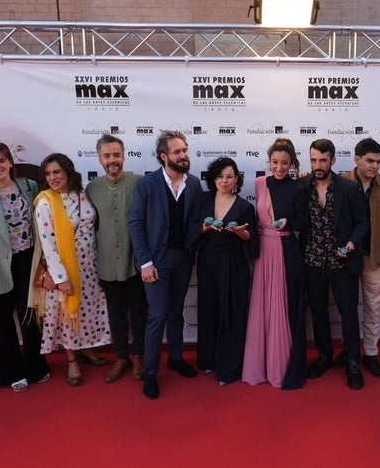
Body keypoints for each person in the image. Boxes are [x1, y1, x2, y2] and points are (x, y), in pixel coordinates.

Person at [0, 141, 50, 393]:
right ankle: (11, 371)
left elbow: (42, 227)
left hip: (28, 262)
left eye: (1, 160)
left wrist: (45, 264)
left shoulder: (30, 187)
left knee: (31, 318)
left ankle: (36, 366)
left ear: (11, 162)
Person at [128, 130, 202, 399]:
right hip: (156, 260)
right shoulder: (147, 184)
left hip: (183, 258)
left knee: (176, 312)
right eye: (177, 152)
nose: (183, 155)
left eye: (185, 150)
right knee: (158, 314)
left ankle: (176, 357)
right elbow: (135, 224)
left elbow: (194, 222)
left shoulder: (193, 184)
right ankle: (150, 372)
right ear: (164, 156)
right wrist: (145, 262)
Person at [28, 153, 110, 387]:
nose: (53, 177)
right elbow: (48, 245)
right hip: (64, 269)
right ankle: (72, 358)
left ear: (68, 172)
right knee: (66, 315)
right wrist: (61, 278)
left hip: (90, 267)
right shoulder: (45, 202)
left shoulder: (82, 194)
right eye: (48, 174)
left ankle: (86, 348)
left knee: (86, 311)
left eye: (57, 172)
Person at [301, 138, 368, 390]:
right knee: (318, 312)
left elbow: (362, 222)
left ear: (333, 160)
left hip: (342, 261)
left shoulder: (349, 188)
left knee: (348, 313)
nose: (318, 165)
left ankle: (352, 360)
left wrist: (351, 243)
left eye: (323, 160)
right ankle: (325, 355)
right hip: (312, 259)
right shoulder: (302, 185)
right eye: (314, 160)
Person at [242, 138, 308, 389]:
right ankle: (259, 366)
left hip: (286, 250)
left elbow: (303, 224)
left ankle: (280, 367)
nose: (279, 168)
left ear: (291, 163)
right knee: (262, 306)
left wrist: (287, 223)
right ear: (269, 161)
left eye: (284, 163)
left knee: (280, 307)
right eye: (275, 162)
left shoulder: (298, 188)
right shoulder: (260, 183)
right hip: (263, 252)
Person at [86, 134, 147, 383]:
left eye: (116, 155)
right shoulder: (92, 188)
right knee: (116, 314)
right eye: (107, 156)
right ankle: (122, 357)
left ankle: (140, 356)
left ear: (124, 156)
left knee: (140, 312)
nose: (113, 160)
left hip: (136, 263)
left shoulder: (140, 183)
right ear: (100, 158)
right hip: (107, 264)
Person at [194, 157, 259, 386]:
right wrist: (203, 228)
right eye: (220, 176)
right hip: (207, 264)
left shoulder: (245, 206)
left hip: (234, 267)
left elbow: (253, 240)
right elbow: (191, 231)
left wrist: (241, 233)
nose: (224, 180)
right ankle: (208, 360)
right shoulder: (203, 200)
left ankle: (229, 368)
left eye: (229, 176)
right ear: (213, 179)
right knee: (209, 311)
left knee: (232, 314)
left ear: (236, 180)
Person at [340, 138, 380, 379]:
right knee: (347, 310)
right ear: (357, 159)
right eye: (370, 160)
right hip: (346, 260)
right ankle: (349, 352)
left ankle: (371, 354)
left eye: (379, 161)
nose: (375, 166)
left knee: (374, 310)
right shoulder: (340, 182)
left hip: (375, 259)